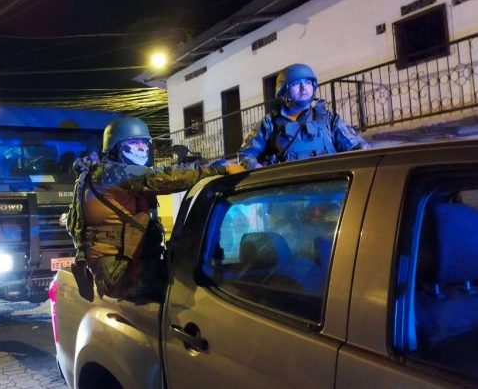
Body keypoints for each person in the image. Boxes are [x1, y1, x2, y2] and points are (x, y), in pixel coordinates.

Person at [67, 117, 243, 302]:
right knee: (205, 288)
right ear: (115, 147)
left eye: (144, 144)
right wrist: (220, 169)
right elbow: (162, 178)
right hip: (121, 276)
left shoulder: (96, 174)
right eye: (134, 143)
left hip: (125, 269)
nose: (141, 149)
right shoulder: (111, 173)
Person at [238, 63, 370, 170]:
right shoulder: (269, 124)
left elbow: (360, 150)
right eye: (296, 84)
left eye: (307, 82)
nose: (303, 88)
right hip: (286, 197)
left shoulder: (329, 120)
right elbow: (246, 155)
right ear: (283, 90)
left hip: (329, 195)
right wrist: (263, 174)